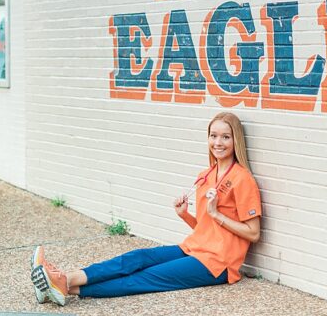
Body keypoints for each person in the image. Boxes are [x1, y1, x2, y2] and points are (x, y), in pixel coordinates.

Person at [31, 112, 262, 304]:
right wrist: (185, 215)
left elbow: (253, 233)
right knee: (137, 257)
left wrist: (216, 213)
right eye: (213, 136)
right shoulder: (206, 175)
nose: (218, 143)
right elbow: (206, 227)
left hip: (217, 264)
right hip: (195, 247)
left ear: (236, 141)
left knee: (146, 277)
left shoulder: (243, 180)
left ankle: (63, 284)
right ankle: (64, 281)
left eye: (225, 137)